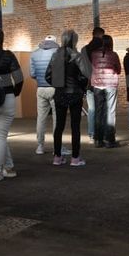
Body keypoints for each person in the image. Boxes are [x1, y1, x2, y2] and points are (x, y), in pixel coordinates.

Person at [0, 27, 24, 182]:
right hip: (7, 97)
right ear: (2, 40)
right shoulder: (8, 55)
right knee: (1, 136)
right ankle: (7, 167)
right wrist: (14, 93)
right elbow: (19, 77)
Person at [48, 29, 91, 166]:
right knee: (75, 126)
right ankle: (75, 158)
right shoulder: (78, 56)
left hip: (59, 94)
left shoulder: (55, 56)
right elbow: (85, 76)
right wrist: (82, 88)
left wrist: (57, 85)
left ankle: (57, 157)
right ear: (75, 41)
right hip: (75, 94)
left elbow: (47, 76)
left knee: (59, 126)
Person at [29, 34, 58, 155]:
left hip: (40, 88)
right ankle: (57, 147)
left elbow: (32, 74)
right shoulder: (58, 53)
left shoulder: (34, 53)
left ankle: (40, 146)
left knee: (41, 118)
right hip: (55, 88)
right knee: (57, 118)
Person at [90, 34, 121, 148]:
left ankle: (98, 140)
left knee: (98, 112)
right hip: (110, 85)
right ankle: (109, 140)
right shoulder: (113, 54)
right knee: (110, 112)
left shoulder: (93, 54)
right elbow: (118, 69)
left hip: (97, 85)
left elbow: (92, 67)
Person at [81, 26, 104, 140]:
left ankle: (92, 134)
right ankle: (101, 134)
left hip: (89, 83)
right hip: (101, 82)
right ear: (100, 35)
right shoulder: (102, 48)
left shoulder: (84, 49)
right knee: (102, 109)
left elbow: (82, 68)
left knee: (92, 109)